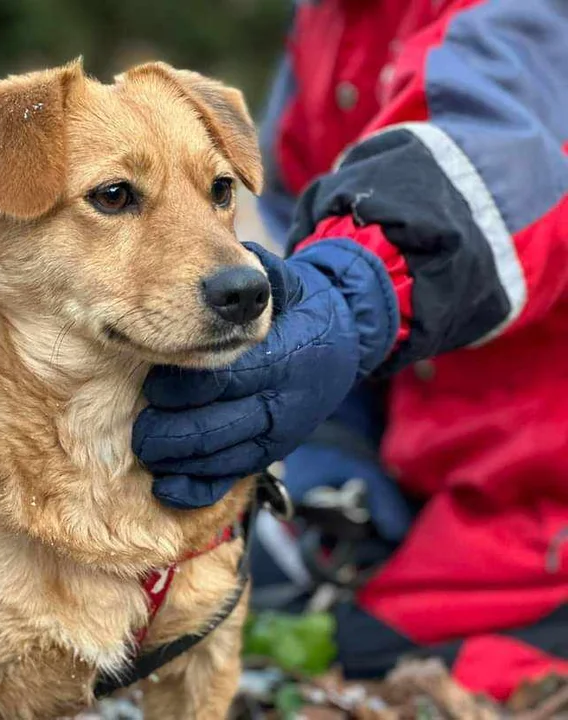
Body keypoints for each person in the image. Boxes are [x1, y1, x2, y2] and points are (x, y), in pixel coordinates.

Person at [132, 0, 568, 701]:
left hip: (540, 491)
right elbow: (294, 220)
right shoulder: (330, 24)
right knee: (191, 600)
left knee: (359, 658)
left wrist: (350, 292)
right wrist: (329, 445)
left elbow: (499, 159)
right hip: (421, 468)